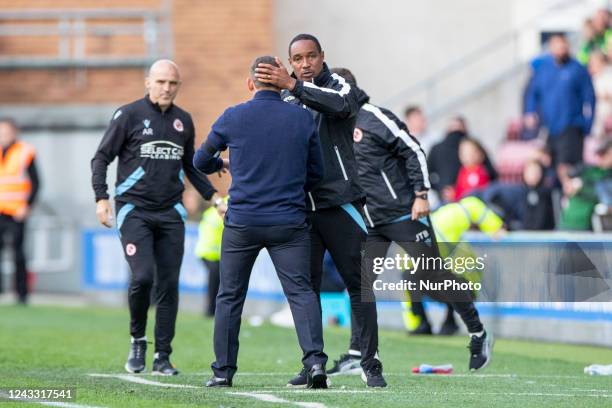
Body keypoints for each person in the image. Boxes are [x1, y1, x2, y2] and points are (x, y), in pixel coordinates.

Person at [329, 67, 494, 373]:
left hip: (405, 212)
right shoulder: (336, 126)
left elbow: (414, 149)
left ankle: (478, 333)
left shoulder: (375, 117)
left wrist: (421, 194)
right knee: (361, 284)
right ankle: (356, 353)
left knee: (433, 277)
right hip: (372, 220)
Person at [254, 34, 387, 387]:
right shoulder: (285, 97)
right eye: (298, 59)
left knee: (360, 285)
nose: (306, 63)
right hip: (300, 209)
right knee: (305, 290)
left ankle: (370, 363)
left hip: (341, 204)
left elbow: (344, 105)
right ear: (290, 61)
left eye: (311, 56)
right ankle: (313, 364)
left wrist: (294, 86)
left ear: (322, 57)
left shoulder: (337, 84)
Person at [194, 55, 328, 389]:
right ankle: (314, 364)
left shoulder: (233, 116)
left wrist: (223, 163)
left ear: (250, 83)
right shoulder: (301, 118)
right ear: (281, 79)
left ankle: (223, 372)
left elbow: (199, 160)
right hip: (289, 221)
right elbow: (317, 173)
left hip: (243, 222)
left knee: (230, 296)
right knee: (301, 292)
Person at [91, 59, 220, 376]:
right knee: (143, 277)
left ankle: (163, 356)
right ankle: (138, 340)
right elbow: (102, 157)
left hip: (171, 212)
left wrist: (214, 197)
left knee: (168, 285)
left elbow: (190, 165)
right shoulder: (129, 115)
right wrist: (101, 198)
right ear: (148, 82)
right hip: (134, 210)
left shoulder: (183, 121)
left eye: (173, 83)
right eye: (161, 82)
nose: (167, 88)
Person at [524, 34, 596, 193]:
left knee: (567, 170)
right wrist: (529, 112)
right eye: (556, 46)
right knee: (546, 166)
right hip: (550, 128)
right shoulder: (544, 69)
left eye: (563, 46)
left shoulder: (577, 69)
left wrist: (587, 125)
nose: (560, 50)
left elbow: (590, 98)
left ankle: (572, 207)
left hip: (571, 127)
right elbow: (532, 93)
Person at [0, 118, 40, 304]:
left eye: (6, 131)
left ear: (14, 132)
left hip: (16, 211)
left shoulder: (25, 151)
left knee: (18, 253)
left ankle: (22, 294)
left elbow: (36, 182)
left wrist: (27, 206)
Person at [428, 117, 497, 203]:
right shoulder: (463, 170)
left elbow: (474, 193)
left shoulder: (478, 171)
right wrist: (444, 190)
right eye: (464, 153)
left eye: (470, 153)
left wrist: (442, 189)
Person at [560, 139, 612, 230]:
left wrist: (581, 186)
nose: (602, 157)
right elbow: (567, 180)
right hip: (568, 223)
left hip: (589, 225)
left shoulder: (607, 176)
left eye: (606, 153)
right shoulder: (587, 170)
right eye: (601, 153)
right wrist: (570, 185)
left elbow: (603, 196)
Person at [194, 203, 224, 317]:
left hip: (209, 253)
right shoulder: (221, 211)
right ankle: (211, 310)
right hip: (210, 254)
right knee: (215, 280)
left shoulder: (209, 212)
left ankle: (213, 310)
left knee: (217, 281)